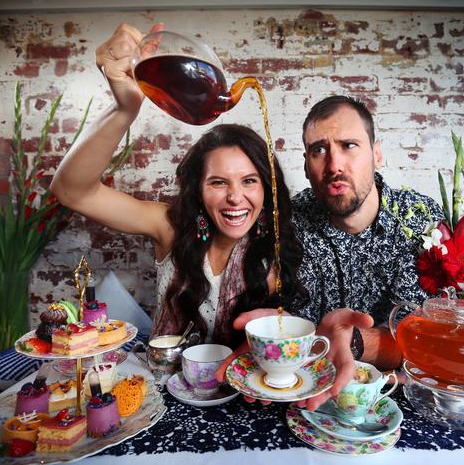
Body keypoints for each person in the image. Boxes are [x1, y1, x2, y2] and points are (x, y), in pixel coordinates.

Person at [50, 23, 305, 348]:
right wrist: (125, 110)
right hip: (161, 385)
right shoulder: (170, 228)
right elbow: (73, 191)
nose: (235, 197)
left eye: (249, 181)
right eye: (218, 182)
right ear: (198, 188)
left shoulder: (274, 255)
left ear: (266, 189)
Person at [217, 95, 443, 408]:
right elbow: (286, 322)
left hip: (400, 399)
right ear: (307, 166)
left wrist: (355, 341)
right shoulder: (288, 222)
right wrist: (271, 329)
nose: (334, 165)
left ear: (377, 154)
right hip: (299, 396)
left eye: (349, 145)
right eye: (319, 150)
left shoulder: (419, 220)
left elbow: (438, 340)